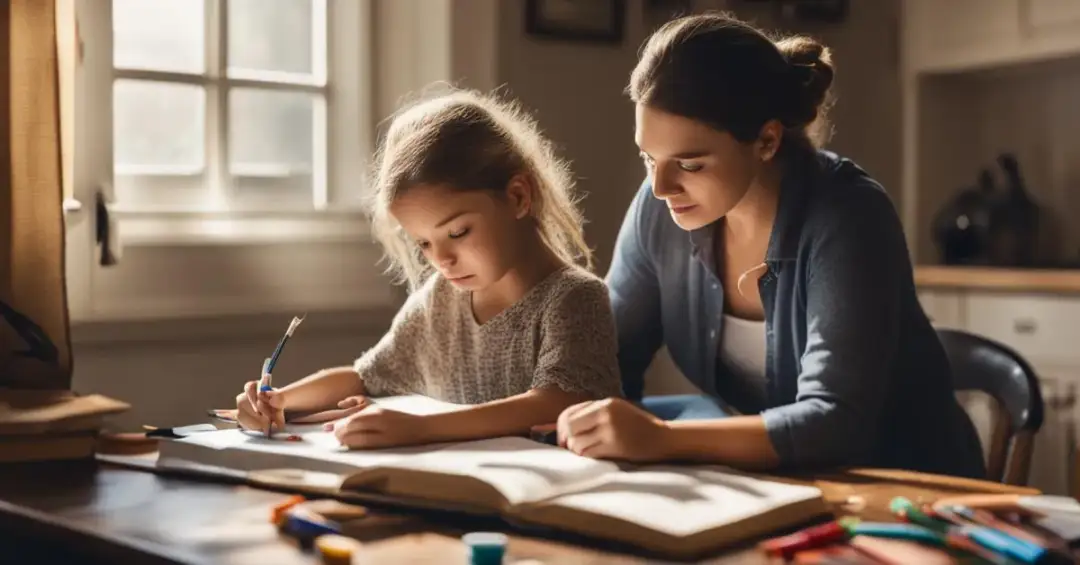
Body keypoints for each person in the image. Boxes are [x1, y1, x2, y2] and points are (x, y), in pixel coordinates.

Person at [556, 13, 986, 479]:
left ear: (766, 140)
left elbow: (835, 424)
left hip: (911, 487)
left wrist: (662, 438)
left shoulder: (848, 215)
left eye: (690, 164)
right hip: (788, 485)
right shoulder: (660, 211)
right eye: (648, 158)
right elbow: (602, 364)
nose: (660, 187)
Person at [235, 88, 622, 449]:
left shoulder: (574, 298)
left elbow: (557, 403)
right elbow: (365, 377)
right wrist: (279, 400)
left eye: (458, 232)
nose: (442, 260)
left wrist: (420, 428)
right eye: (423, 243)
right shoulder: (441, 298)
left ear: (518, 197)